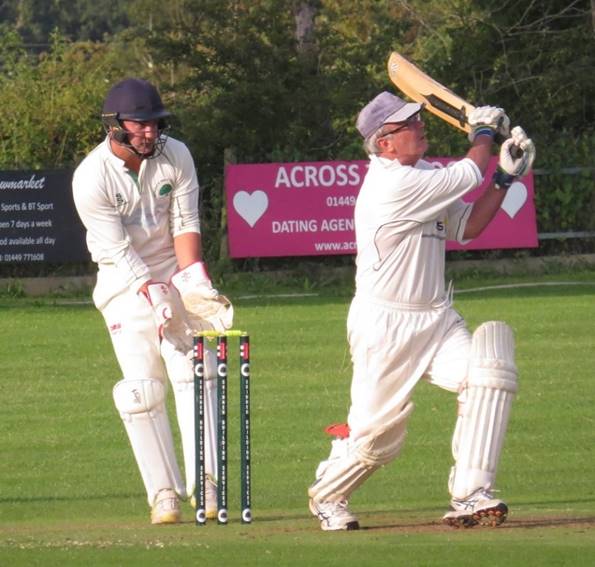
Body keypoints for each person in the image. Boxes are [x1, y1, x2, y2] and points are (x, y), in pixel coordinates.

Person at [308, 91, 535, 531]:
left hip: (436, 317)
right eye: (408, 124)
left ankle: (472, 493)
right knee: (379, 439)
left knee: (489, 373)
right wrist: (483, 132)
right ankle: (329, 493)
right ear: (384, 143)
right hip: (385, 325)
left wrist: (505, 180)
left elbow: (467, 227)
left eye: (417, 119)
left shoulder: (425, 174)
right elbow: (470, 170)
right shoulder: (393, 185)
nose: (419, 126)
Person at [72, 78, 233, 524]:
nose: (150, 133)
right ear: (116, 125)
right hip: (124, 287)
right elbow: (118, 250)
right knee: (143, 391)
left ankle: (209, 484)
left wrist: (195, 284)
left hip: (173, 276)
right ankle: (163, 493)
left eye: (155, 124)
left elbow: (185, 222)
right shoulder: (90, 176)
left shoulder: (175, 154)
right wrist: (153, 294)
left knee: (196, 374)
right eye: (141, 125)